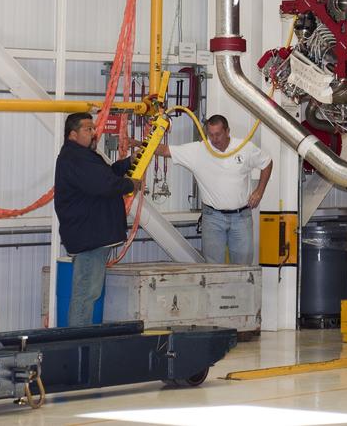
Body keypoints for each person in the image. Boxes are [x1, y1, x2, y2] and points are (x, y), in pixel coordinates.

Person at [54, 112, 140, 326]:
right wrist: (130, 185)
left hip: (94, 235)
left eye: (94, 128)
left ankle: (81, 341)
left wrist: (127, 163)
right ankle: (78, 344)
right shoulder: (75, 158)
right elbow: (102, 184)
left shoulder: (83, 156)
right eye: (88, 129)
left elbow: (105, 174)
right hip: (89, 237)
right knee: (85, 294)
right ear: (73, 134)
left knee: (89, 293)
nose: (94, 133)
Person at [161, 114, 272, 265]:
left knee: (243, 267)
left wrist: (259, 191)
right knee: (213, 268)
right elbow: (166, 150)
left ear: (227, 131)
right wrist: (135, 143)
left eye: (218, 134)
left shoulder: (245, 148)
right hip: (212, 218)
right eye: (210, 135)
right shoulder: (198, 150)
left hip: (241, 217)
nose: (214, 139)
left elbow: (267, 163)